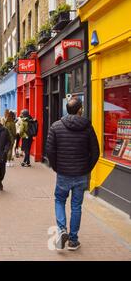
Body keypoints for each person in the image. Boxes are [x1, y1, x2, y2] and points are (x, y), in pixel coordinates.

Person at [46, 98, 100, 251]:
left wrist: (57, 167)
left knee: (59, 201)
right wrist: (86, 168)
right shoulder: (87, 127)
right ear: (80, 110)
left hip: (63, 173)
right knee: (76, 206)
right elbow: (95, 152)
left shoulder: (56, 126)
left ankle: (62, 230)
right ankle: (73, 240)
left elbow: (49, 150)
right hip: (81, 174)